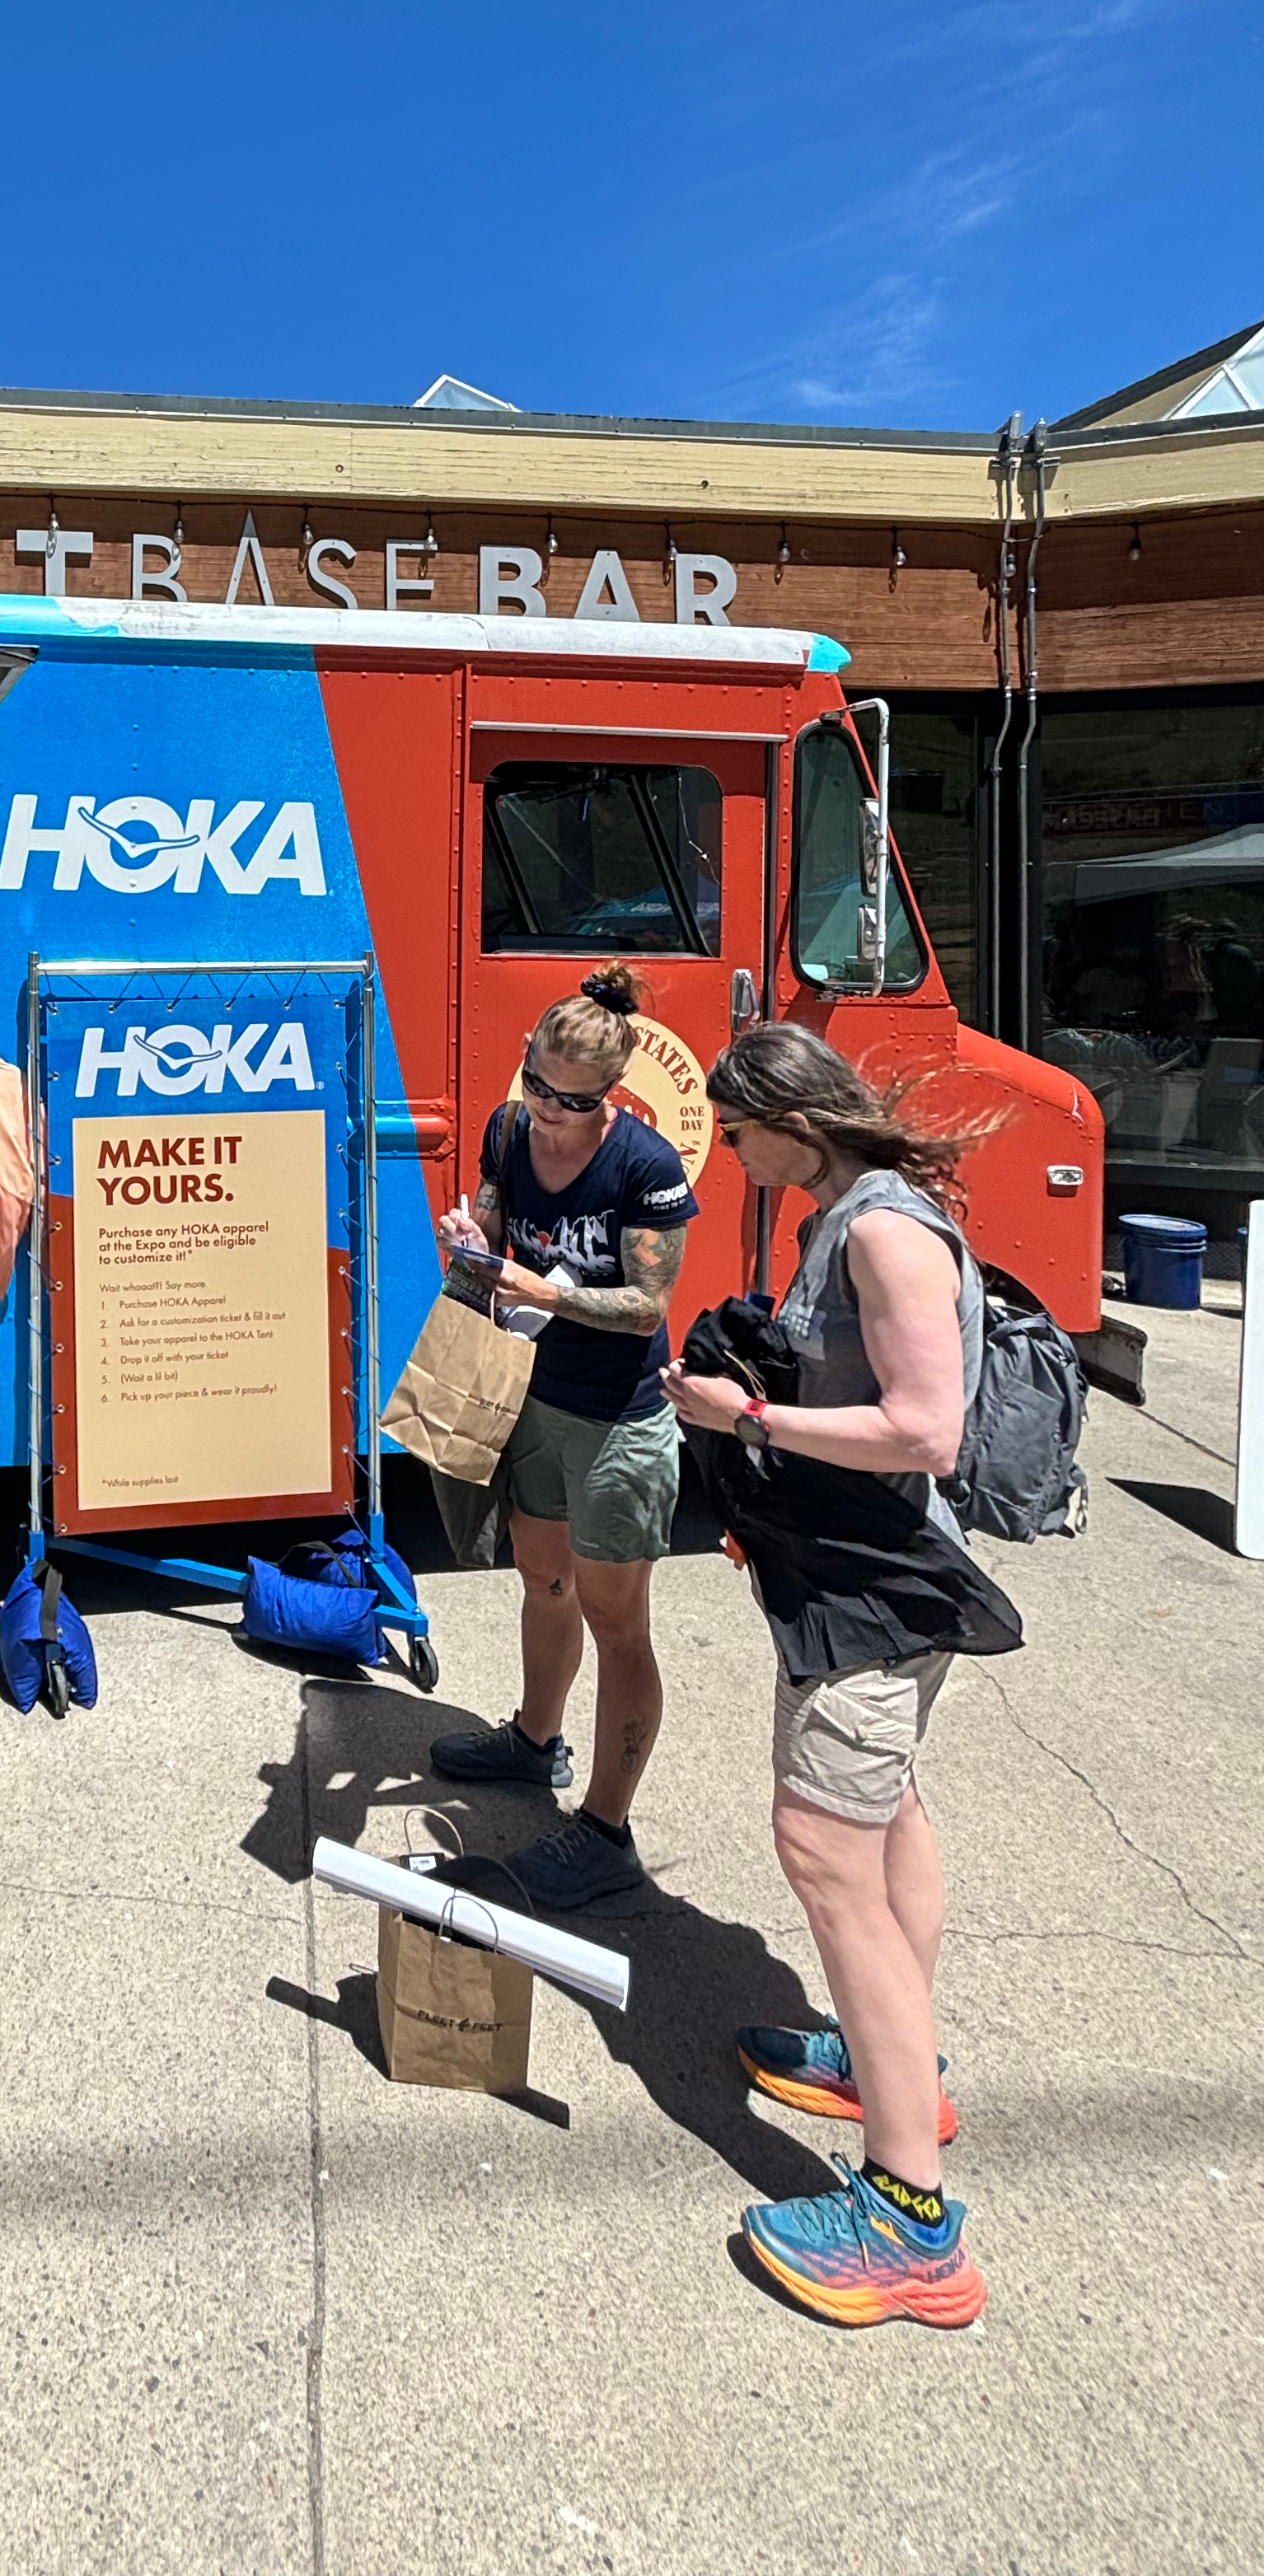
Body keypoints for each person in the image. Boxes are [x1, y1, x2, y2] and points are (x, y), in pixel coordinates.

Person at [662, 1020, 994, 2332]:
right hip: (859, 1578)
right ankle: (880, 2063)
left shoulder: (880, 1230)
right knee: (888, 1818)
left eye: (740, 1136)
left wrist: (744, 1417)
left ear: (792, 1121)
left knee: (825, 1852)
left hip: (876, 1589)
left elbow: (926, 1425)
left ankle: (911, 2223)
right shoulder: (848, 1213)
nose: (737, 1161)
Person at [428, 963, 695, 1910]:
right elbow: (494, 1230)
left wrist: (552, 1293)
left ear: (608, 1097)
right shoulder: (508, 1130)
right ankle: (534, 1742)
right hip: (532, 1399)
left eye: (567, 1100)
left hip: (617, 1419)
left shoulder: (646, 1168)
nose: (543, 1109)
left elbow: (649, 1307)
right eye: (532, 1083)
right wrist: (469, 1238)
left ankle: (606, 1829)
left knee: (620, 1624)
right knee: (542, 1582)